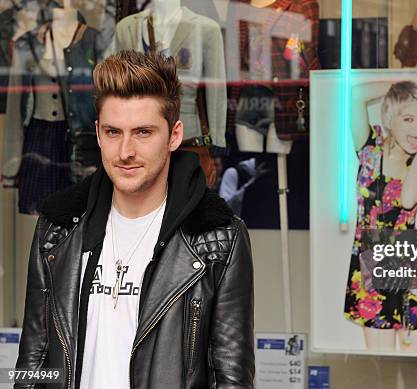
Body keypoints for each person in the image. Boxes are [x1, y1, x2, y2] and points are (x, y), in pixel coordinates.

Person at [14, 50, 254, 389]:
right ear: (98, 133)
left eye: (143, 132)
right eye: (114, 132)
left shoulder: (216, 239)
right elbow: (33, 362)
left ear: (173, 135)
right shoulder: (57, 229)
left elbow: (231, 378)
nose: (126, 151)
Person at [344, 81, 417, 351]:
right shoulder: (370, 147)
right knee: (379, 369)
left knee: (414, 371)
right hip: (371, 264)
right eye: (408, 118)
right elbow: (356, 96)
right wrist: (402, 85)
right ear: (389, 119)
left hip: (410, 266)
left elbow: (408, 199)